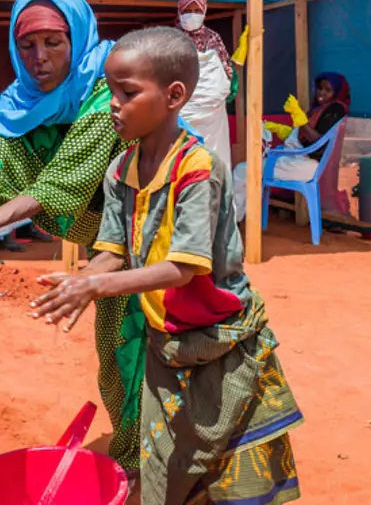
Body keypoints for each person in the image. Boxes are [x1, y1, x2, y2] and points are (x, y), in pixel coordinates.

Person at [30, 27, 303, 505]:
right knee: (165, 469)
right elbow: (113, 250)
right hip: (168, 344)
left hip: (224, 343)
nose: (113, 104)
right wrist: (81, 280)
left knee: (237, 477)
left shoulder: (199, 168)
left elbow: (184, 268)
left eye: (127, 92)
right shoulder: (121, 172)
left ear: (174, 95)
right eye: (110, 91)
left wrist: (93, 289)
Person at [0, 0, 144, 469]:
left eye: (53, 43)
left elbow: (65, 182)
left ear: (76, 37)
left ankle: (177, 468)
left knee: (170, 355)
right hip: (110, 251)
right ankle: (138, 461)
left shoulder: (107, 92)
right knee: (120, 359)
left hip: (160, 242)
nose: (39, 58)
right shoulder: (19, 103)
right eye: (27, 45)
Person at [232, 71, 352, 221]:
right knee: (247, 171)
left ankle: (234, 220)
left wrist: (301, 120)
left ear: (337, 92)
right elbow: (305, 137)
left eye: (328, 90)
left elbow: (318, 141)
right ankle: (240, 217)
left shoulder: (335, 110)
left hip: (305, 165)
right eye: (320, 88)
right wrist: (282, 129)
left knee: (241, 170)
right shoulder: (323, 109)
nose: (321, 93)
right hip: (302, 162)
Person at [176, 0, 235, 171]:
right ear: (179, 10)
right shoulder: (171, 38)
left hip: (213, 117)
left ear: (204, 11)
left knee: (212, 161)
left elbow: (226, 75)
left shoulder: (213, 39)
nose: (192, 15)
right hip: (181, 111)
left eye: (196, 11)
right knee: (182, 160)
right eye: (187, 11)